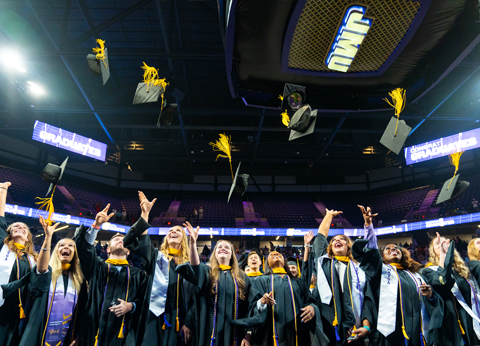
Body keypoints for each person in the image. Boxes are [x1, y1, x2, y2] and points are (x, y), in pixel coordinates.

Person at [355, 206, 441, 346]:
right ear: (382, 256)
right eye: (388, 248)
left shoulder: (415, 275)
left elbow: (433, 300)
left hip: (417, 329)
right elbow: (371, 252)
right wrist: (368, 226)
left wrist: (431, 295)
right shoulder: (379, 271)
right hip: (388, 332)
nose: (393, 249)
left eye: (396, 248)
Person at [123, 191, 195, 346]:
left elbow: (195, 297)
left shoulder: (190, 265)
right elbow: (136, 240)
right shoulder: (156, 257)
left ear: (184, 239)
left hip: (179, 317)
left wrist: (188, 320)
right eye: (170, 231)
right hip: (153, 316)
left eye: (177, 231)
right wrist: (145, 214)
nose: (173, 232)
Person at [73, 204, 147, 346]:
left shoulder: (139, 275)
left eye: (123, 240)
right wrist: (96, 226)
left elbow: (144, 300)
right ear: (107, 250)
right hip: (94, 332)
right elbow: (85, 250)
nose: (120, 240)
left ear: (129, 251)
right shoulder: (98, 268)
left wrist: (131, 306)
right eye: (116, 239)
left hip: (124, 335)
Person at [19, 216, 87, 346]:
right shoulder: (48, 273)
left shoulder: (79, 281)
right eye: (61, 245)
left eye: (71, 246)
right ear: (56, 252)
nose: (66, 247)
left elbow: (82, 312)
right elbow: (41, 269)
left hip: (66, 337)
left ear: (75, 253)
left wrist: (78, 335)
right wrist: (48, 237)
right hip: (39, 331)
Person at [311, 208, 374, 346]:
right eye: (334, 240)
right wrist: (328, 216)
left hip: (355, 328)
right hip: (329, 327)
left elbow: (368, 300)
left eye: (342, 239)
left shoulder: (359, 268)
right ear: (330, 247)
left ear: (348, 245)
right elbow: (320, 238)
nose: (337, 240)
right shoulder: (324, 262)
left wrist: (366, 326)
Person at [180, 226, 251, 346]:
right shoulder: (206, 272)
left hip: (234, 332)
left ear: (232, 254)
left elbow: (250, 307)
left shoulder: (243, 278)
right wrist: (193, 242)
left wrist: (248, 333)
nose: (223, 249)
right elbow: (195, 266)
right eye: (219, 247)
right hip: (208, 329)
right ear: (214, 253)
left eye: (227, 247)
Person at [244, 250, 329, 346]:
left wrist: (312, 308)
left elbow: (310, 301)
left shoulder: (298, 283)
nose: (275, 254)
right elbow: (252, 306)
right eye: (271, 255)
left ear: (284, 262)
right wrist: (261, 302)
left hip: (297, 334)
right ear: (267, 263)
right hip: (269, 335)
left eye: (278, 254)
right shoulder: (260, 281)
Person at [422, 232, 480, 345]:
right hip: (450, 320)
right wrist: (444, 256)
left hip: (471, 317)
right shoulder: (428, 271)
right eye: (438, 244)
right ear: (433, 251)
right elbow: (442, 283)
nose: (442, 245)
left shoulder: (464, 269)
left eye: (445, 242)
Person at [0, 182, 37, 346]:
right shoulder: (3, 248)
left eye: (23, 227)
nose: (19, 227)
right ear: (8, 233)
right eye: (15, 226)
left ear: (28, 237)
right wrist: (3, 190)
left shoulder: (33, 259)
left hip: (23, 311)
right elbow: (0, 219)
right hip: (2, 306)